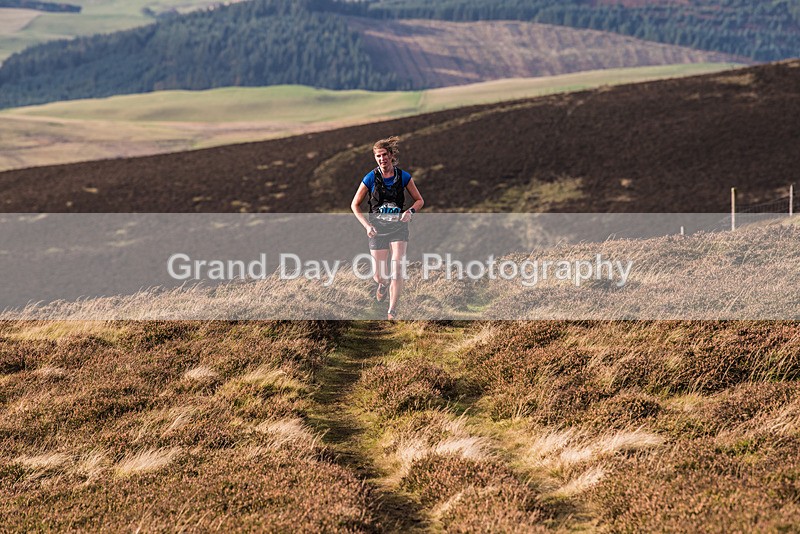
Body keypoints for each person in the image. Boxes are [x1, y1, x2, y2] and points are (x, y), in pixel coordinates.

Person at [351, 136, 424, 320]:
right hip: (377, 230)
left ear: (391, 155)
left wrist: (410, 212)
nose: (382, 159)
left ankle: (392, 311)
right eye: (378, 156)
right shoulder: (370, 178)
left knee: (397, 268)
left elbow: (419, 200)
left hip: (399, 228)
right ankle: (382, 285)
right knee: (379, 276)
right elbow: (355, 205)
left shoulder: (404, 177)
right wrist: (367, 226)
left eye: (384, 155)